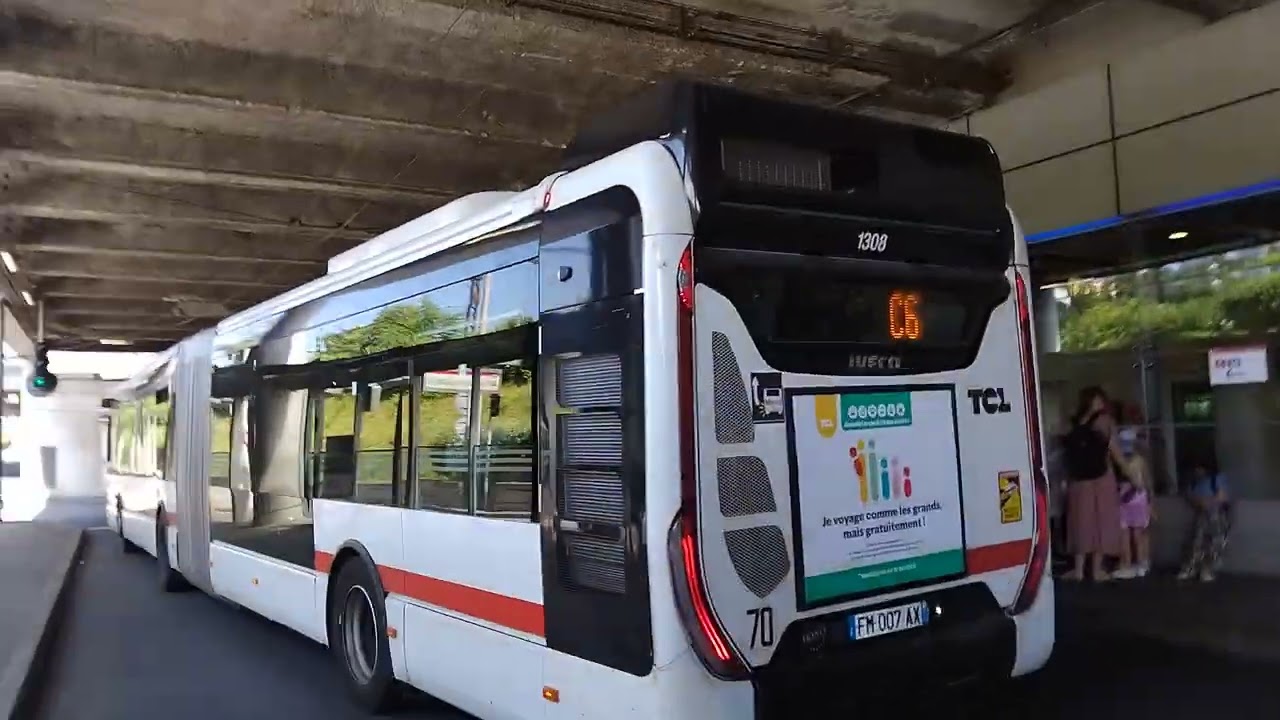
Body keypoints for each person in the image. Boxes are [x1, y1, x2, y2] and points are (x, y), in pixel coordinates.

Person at [1061, 386, 1126, 581]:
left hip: (1079, 480)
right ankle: (1097, 570)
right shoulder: (1105, 421)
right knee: (1100, 522)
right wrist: (1130, 472)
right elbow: (1115, 450)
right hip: (1101, 477)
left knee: (1080, 522)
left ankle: (1079, 570)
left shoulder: (1074, 422)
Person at [1178, 460, 1231, 582]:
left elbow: (1222, 497)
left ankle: (1207, 569)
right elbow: (1189, 496)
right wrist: (1199, 502)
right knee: (1195, 541)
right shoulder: (1193, 481)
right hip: (1201, 514)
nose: (1197, 471)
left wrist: (1207, 502)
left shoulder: (1216, 478)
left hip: (1216, 514)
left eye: (1200, 468)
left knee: (1214, 544)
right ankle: (1190, 568)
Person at [1113, 428, 1154, 578]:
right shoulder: (1140, 460)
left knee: (1128, 533)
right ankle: (1139, 563)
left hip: (1126, 498)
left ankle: (1130, 563)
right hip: (1136, 498)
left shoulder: (1118, 460)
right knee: (1134, 533)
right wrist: (1150, 501)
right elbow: (1147, 482)